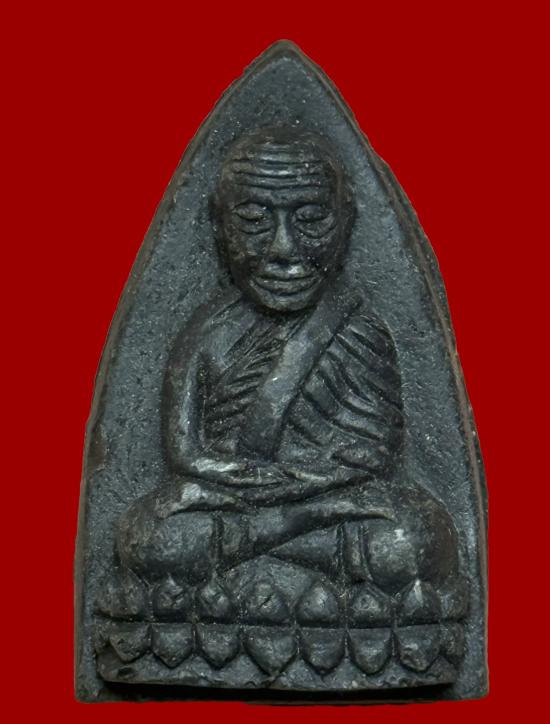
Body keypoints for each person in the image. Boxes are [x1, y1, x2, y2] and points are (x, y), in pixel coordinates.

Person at [101, 129, 463, 630]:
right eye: (253, 221)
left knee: (415, 538)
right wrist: (244, 484)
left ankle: (245, 567)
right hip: (243, 504)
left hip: (322, 505)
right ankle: (295, 564)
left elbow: (377, 453)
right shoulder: (206, 333)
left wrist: (296, 491)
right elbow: (185, 454)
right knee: (152, 537)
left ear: (346, 221)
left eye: (311, 220)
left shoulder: (356, 326)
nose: (283, 250)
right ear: (218, 225)